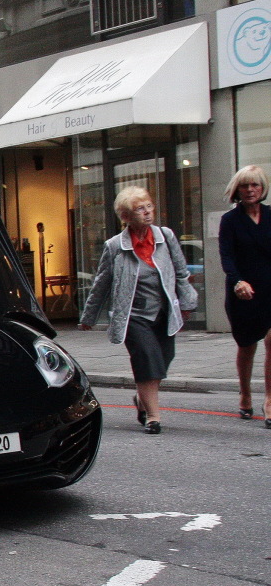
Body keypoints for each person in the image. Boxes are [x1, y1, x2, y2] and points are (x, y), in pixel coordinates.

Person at [79, 186, 197, 434]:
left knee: (163, 361)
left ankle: (141, 399)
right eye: (139, 209)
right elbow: (102, 282)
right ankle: (153, 416)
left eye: (149, 206)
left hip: (163, 313)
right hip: (133, 315)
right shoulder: (114, 246)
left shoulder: (166, 237)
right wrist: (88, 316)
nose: (146, 212)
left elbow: (181, 272)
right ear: (125, 217)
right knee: (146, 360)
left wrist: (186, 303)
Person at [218, 164, 271, 425]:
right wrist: (238, 281)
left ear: (263, 189)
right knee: (247, 346)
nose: (250, 190)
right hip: (243, 293)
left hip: (270, 289)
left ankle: (270, 399)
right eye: (245, 185)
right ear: (237, 189)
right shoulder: (230, 220)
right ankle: (246, 393)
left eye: (255, 185)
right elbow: (226, 256)